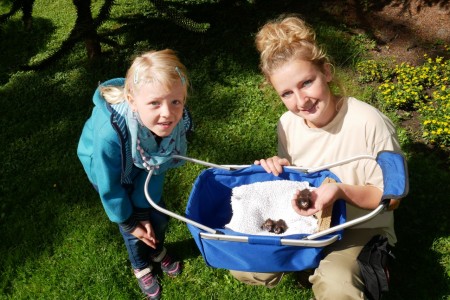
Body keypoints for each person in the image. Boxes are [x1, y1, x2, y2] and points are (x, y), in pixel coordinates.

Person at [229, 15, 402, 299]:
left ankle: (368, 265)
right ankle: (313, 259)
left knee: (336, 285)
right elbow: (298, 181)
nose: (301, 100)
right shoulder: (287, 124)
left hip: (362, 225)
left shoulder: (369, 122)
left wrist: (340, 190)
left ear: (327, 72)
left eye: (307, 82)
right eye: (287, 93)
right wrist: (278, 171)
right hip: (312, 222)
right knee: (247, 266)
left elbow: (392, 199)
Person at [77, 49, 192, 300]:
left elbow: (159, 164)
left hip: (143, 160)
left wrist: (144, 208)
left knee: (156, 216)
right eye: (154, 103)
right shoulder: (110, 135)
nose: (167, 113)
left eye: (176, 101)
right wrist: (132, 220)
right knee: (133, 229)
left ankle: (156, 248)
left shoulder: (175, 123)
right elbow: (111, 187)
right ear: (132, 100)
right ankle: (140, 264)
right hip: (108, 170)